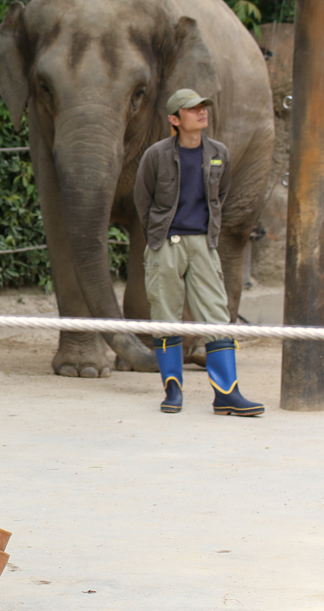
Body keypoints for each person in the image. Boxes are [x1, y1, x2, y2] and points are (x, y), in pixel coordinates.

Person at [133, 88, 264, 417]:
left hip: (204, 244)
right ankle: (172, 391)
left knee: (218, 317)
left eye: (203, 107)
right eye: (192, 109)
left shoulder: (219, 153)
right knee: (165, 317)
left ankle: (226, 394)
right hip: (166, 245)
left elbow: (221, 192)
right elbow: (142, 199)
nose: (202, 112)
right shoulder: (156, 155)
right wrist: (157, 236)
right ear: (175, 120)